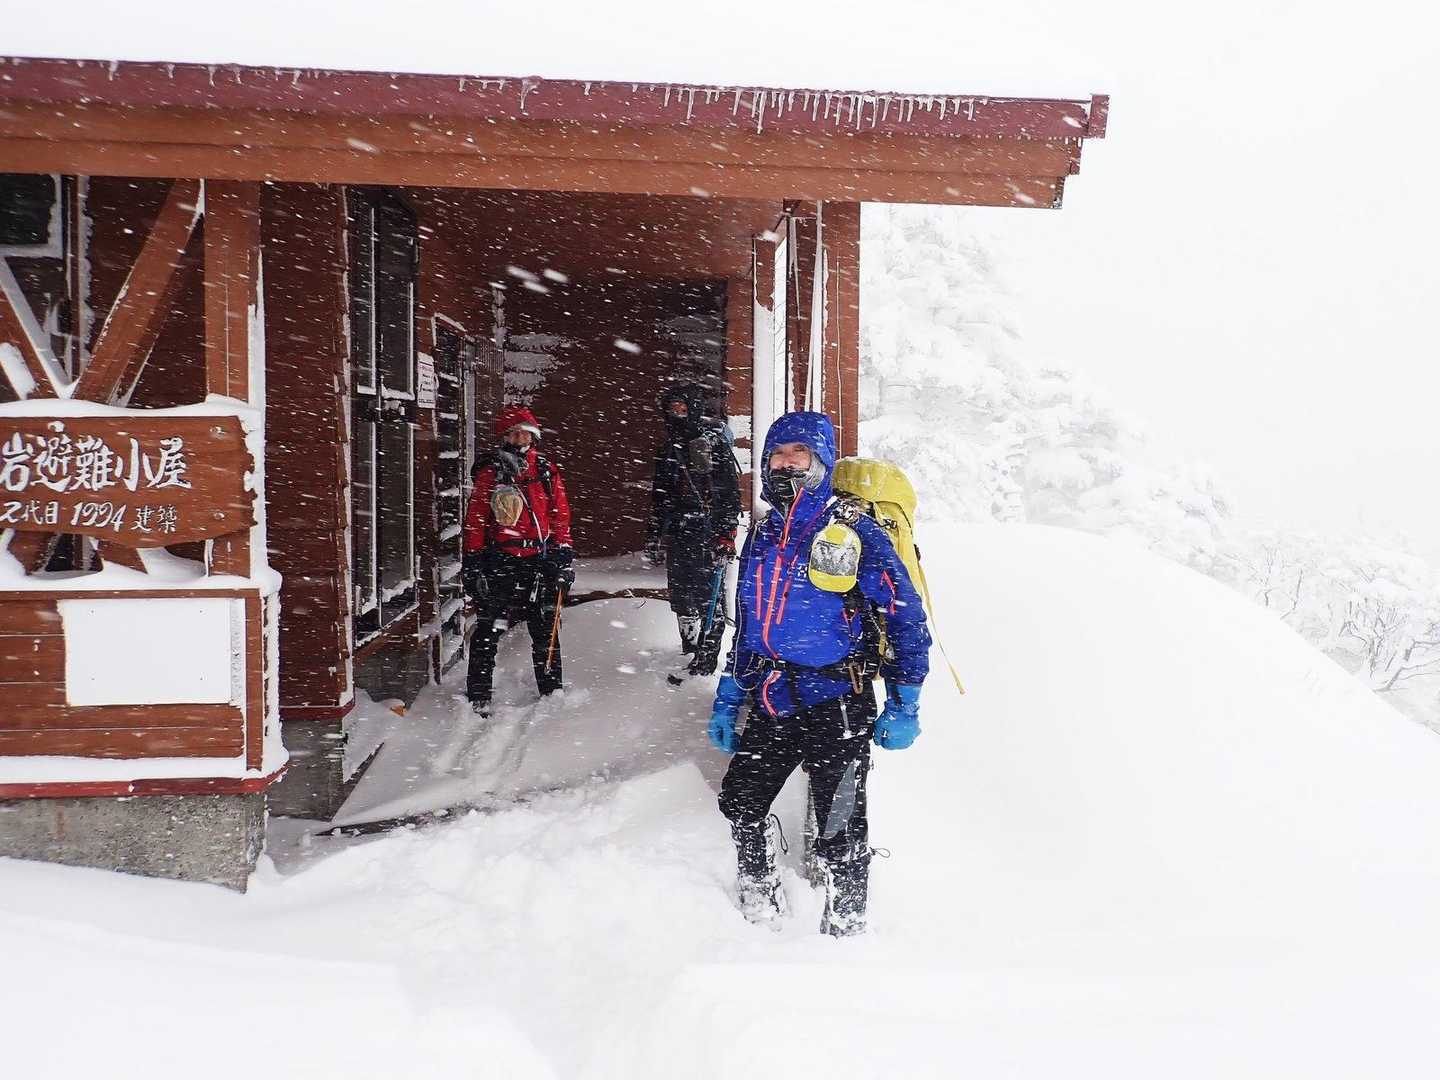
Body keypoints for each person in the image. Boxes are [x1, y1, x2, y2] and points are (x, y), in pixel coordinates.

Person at [706, 411, 931, 936]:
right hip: (774, 695)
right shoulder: (764, 532)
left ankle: (846, 927)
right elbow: (749, 620)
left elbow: (904, 614)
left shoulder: (852, 530)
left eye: (799, 453)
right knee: (740, 802)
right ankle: (760, 895)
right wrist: (729, 693)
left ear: (822, 460)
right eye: (777, 455)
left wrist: (905, 702)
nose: (786, 463)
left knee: (840, 827)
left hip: (838, 699)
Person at [462, 405, 574, 715]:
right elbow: (476, 519)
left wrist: (563, 554)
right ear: (504, 437)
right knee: (488, 628)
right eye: (513, 433)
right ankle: (479, 694)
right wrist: (473, 561)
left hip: (540, 558)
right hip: (501, 558)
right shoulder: (491, 472)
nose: (519, 438)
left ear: (533, 436)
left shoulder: (546, 471)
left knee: (545, 627)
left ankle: (552, 692)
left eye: (524, 433)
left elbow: (560, 515)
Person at [643, 383, 741, 679]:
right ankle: (689, 648)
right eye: (672, 409)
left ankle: (706, 663)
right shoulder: (667, 449)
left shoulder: (714, 446)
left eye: (683, 409)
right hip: (679, 531)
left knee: (710, 598)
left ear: (694, 410)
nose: (677, 414)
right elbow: (661, 495)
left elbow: (729, 493)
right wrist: (655, 532)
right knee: (681, 595)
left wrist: (726, 533)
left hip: (708, 531)